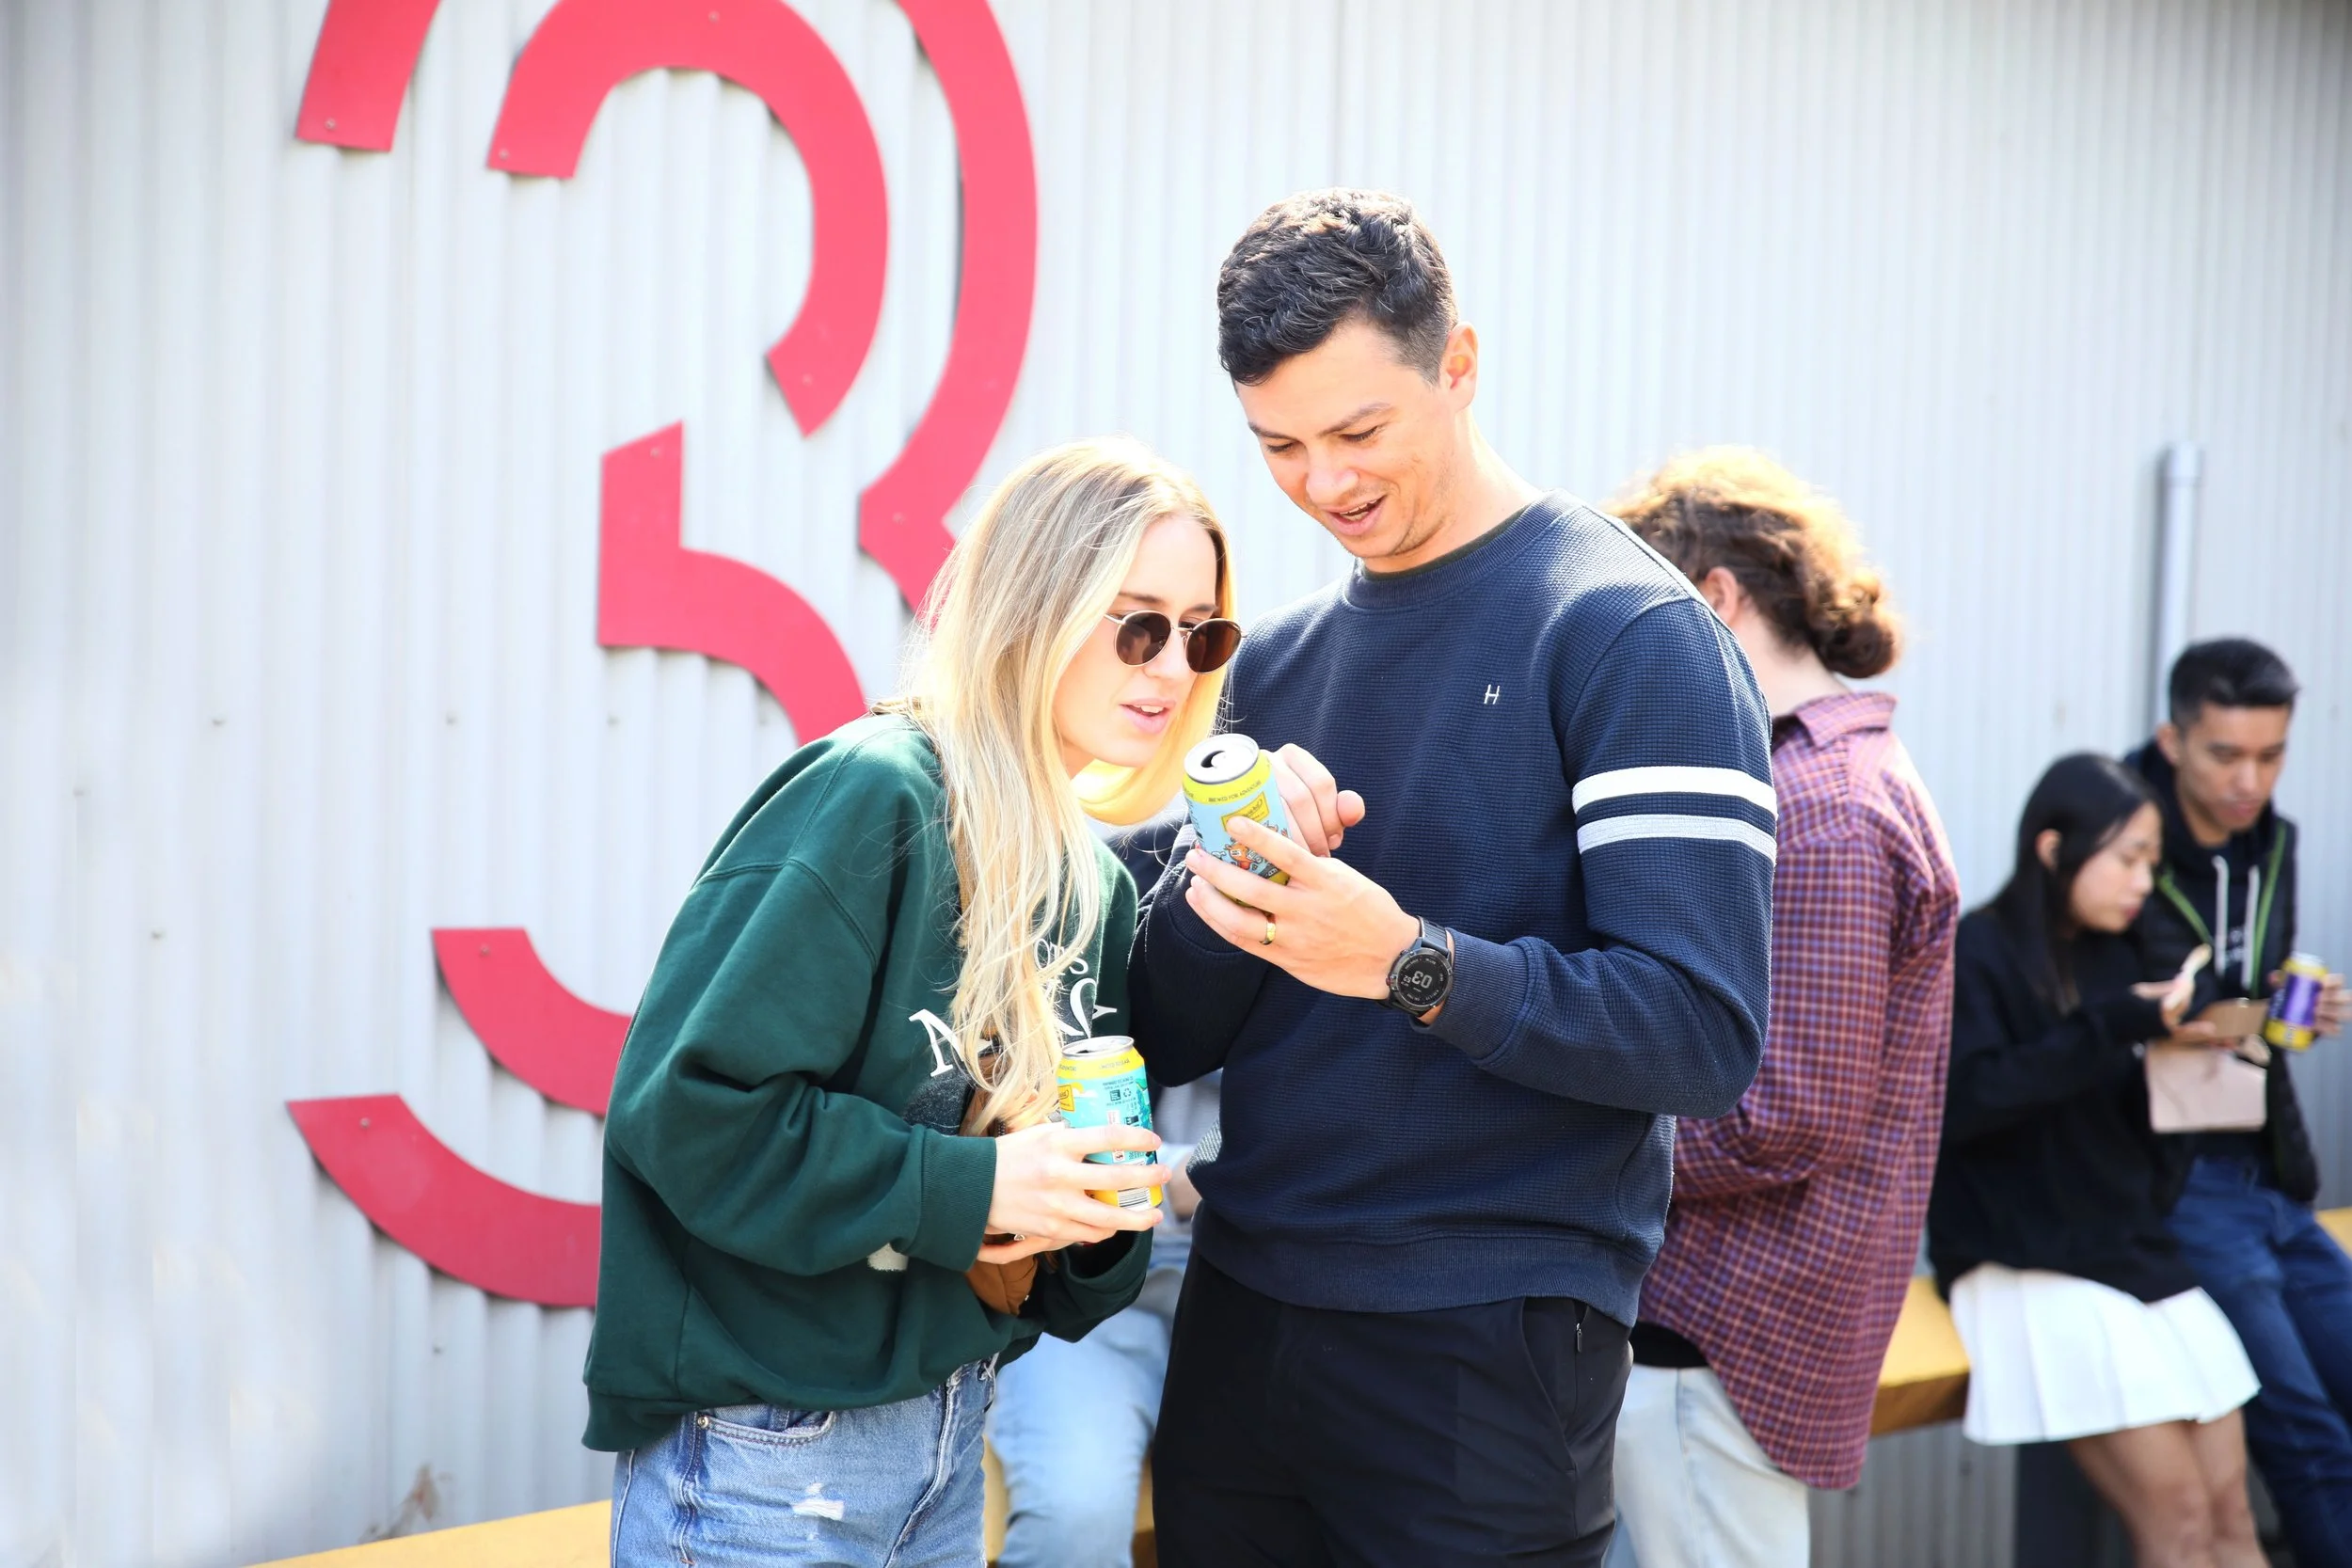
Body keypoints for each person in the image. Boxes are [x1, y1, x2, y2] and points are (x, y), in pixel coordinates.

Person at [1132, 189, 1777, 1567]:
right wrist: (1223, 883)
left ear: (1461, 363)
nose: (1325, 482)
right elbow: (1172, 1030)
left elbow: (1702, 1033)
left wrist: (1406, 959)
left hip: (1489, 1339)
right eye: (1280, 446)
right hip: (1244, 1309)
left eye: (1360, 431)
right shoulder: (1273, 663)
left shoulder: (1626, 631)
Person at [584, 439, 1245, 1566]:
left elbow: (1051, 1274)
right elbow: (686, 1113)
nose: (1171, 666)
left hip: (947, 1438)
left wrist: (1091, 1214)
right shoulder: (875, 793)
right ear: (1035, 605)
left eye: (1202, 632)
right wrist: (977, 1184)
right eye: (1137, 621)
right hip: (766, 1458)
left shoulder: (1089, 883)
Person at [1601, 451, 1961, 1568]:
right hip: (1734, 1319)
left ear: (1714, 597)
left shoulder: (1820, 808)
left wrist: (1569, 1119)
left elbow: (1780, 1113)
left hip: (1721, 1323)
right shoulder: (1835, 778)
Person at [1931, 752, 2265, 1568]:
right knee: (2179, 1521)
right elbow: (1966, 1104)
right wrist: (2112, 1027)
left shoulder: (2136, 953)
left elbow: (2170, 1113)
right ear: (2052, 849)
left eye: (2152, 860)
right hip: (2026, 1261)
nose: (2143, 881)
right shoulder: (1979, 949)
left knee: (2232, 1519)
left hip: (2132, 1246)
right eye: (2127, 858)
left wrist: (2235, 1032)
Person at [2128, 638, 2352, 1566]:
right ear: (2170, 738)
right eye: (2225, 755)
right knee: (2310, 1443)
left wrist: (2293, 1010)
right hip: (2170, 1179)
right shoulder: (2118, 825)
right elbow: (2099, 1005)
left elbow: (2259, 998)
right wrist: (2226, 1011)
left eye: (2270, 755)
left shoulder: (2276, 842)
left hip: (2267, 1167)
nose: (2247, 781)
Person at [985, 819, 1221, 1568]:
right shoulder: (1105, 868)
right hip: (1088, 1285)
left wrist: (1211, 1170)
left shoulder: (1350, 888)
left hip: (1248, 1295)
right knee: (1077, 1514)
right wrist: (1199, 1171)